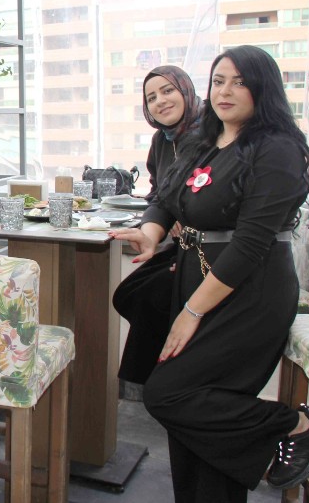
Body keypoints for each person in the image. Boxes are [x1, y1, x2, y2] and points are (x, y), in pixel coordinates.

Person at [110, 45, 309, 502]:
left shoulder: (277, 149)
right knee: (196, 420)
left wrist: (191, 312)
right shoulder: (204, 141)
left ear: (263, 88)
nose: (225, 91)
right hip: (197, 279)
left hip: (250, 291)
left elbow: (250, 245)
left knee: (170, 393)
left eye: (240, 82)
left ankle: (298, 424)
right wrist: (150, 232)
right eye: (219, 81)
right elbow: (166, 198)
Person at [113, 65, 202, 395]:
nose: (160, 101)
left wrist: (182, 217)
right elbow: (159, 196)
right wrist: (150, 234)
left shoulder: (212, 134)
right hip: (182, 244)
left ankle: (156, 386)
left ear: (186, 90)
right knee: (128, 293)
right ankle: (153, 385)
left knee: (154, 295)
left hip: (210, 248)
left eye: (167, 91)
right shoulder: (162, 140)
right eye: (151, 98)